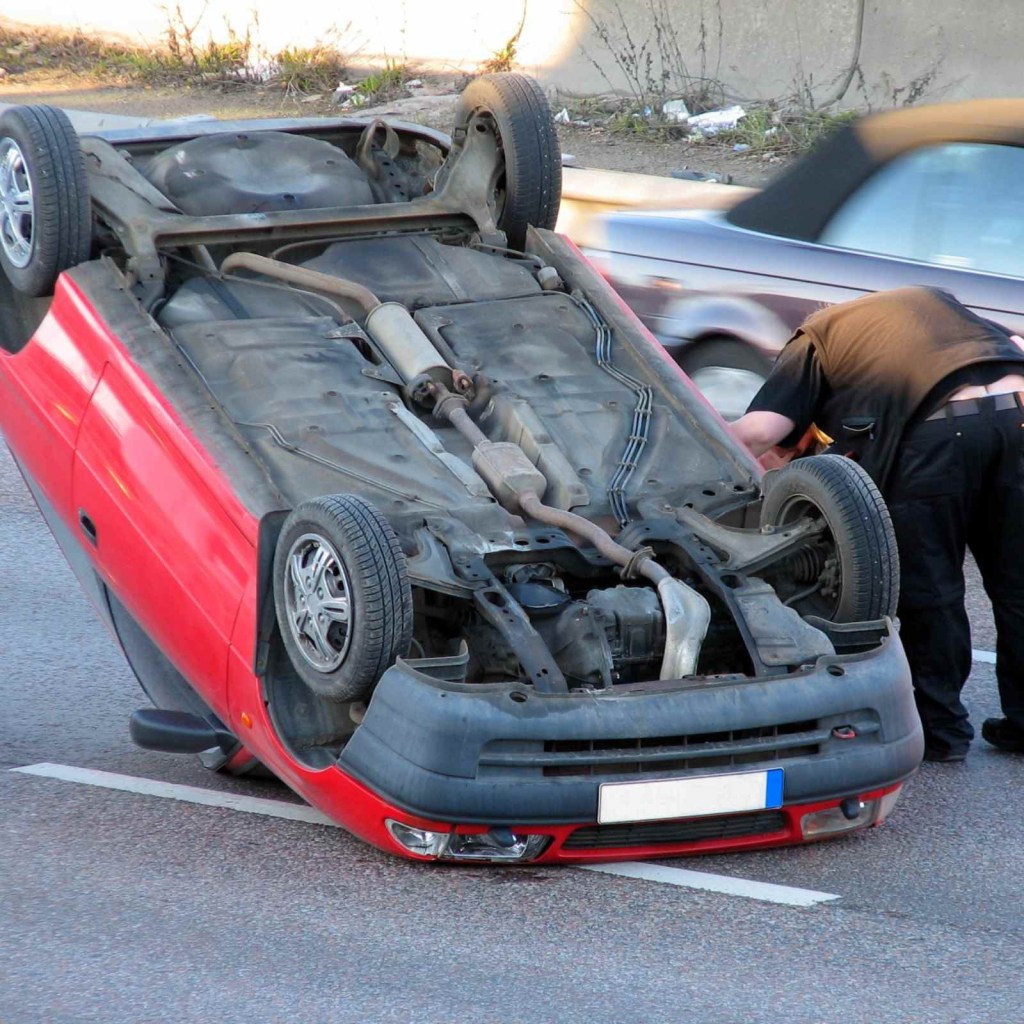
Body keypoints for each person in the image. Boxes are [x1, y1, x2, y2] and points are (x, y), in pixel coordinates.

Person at [729, 286, 1024, 762]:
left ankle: (942, 731)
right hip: (1019, 411)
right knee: (1017, 583)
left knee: (933, 589)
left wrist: (704, 453)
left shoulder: (814, 339)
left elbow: (761, 431)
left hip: (939, 430)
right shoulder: (930, 308)